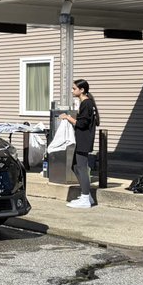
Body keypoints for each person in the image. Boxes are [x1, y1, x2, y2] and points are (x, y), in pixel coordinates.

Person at [61, 79, 99, 209]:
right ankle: (87, 196)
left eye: (74, 89)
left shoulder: (86, 104)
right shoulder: (86, 103)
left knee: (81, 168)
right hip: (82, 139)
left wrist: (68, 117)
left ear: (81, 90)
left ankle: (85, 197)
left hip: (84, 140)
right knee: (75, 166)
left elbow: (82, 123)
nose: (72, 91)